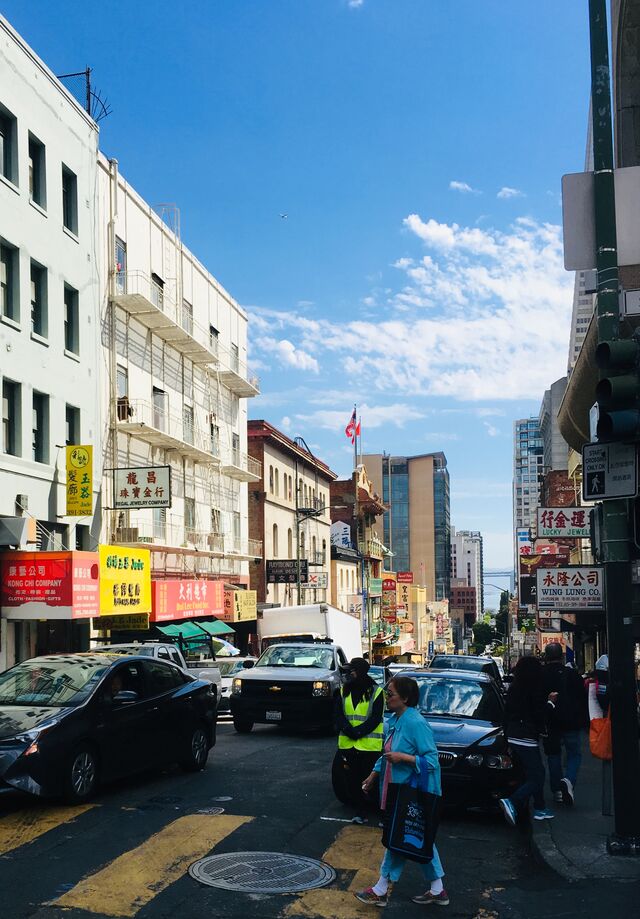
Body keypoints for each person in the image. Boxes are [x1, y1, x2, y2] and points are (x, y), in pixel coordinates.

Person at [355, 676, 447, 908]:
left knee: (398, 838)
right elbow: (387, 753)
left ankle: (381, 889)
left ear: (405, 698)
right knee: (416, 837)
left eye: (391, 694)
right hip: (396, 788)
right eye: (387, 693)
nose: (387, 697)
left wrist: (404, 758)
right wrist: (373, 775)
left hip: (413, 792)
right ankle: (438, 890)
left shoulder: (415, 722)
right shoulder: (395, 720)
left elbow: (432, 760)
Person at [499, 655, 557, 826]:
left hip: (513, 734)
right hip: (526, 736)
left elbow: (507, 712)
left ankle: (540, 807)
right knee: (538, 774)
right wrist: (550, 703)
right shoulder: (535, 689)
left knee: (532, 772)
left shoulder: (514, 688)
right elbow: (538, 714)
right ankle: (513, 801)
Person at [335, 658, 384, 821]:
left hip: (369, 746)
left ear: (361, 672)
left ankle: (378, 811)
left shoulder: (377, 691)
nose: (349, 674)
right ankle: (360, 811)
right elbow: (338, 714)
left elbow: (376, 717)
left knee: (370, 780)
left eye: (352, 671)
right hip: (348, 744)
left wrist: (360, 731)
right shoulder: (343, 690)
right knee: (352, 780)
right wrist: (349, 730)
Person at [541, 642, 588, 806]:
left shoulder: (542, 674)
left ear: (546, 657)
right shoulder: (573, 674)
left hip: (551, 722)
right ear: (561, 657)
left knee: (553, 755)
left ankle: (558, 791)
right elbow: (582, 699)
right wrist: (584, 720)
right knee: (574, 754)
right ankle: (568, 780)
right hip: (571, 722)